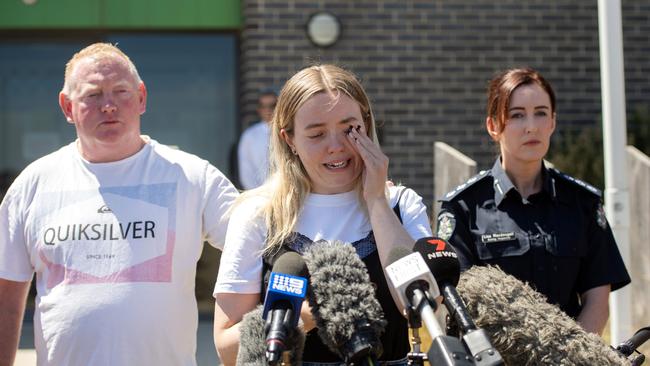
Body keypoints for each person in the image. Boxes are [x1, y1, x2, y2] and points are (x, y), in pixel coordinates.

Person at [0, 43, 238, 366]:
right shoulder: (33, 186)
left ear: (141, 98)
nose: (109, 105)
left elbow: (256, 245)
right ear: (67, 107)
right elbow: (6, 301)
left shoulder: (192, 177)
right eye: (93, 95)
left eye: (121, 92)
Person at [213, 64, 432, 365]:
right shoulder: (257, 214)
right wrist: (315, 312)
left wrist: (376, 201)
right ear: (289, 139)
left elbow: (422, 308)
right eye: (316, 134)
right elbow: (226, 347)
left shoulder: (402, 205)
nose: (336, 146)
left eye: (349, 129)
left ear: (366, 125)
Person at [436, 67, 631, 335]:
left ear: (552, 122)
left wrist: (572, 357)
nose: (532, 126)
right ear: (493, 126)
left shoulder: (582, 203)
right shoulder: (463, 207)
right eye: (517, 115)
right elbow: (459, 302)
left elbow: (597, 297)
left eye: (541, 113)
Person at [237, 89, 278, 189]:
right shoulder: (249, 136)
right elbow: (246, 171)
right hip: (258, 196)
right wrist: (258, 195)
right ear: (258, 109)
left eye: (272, 105)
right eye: (263, 106)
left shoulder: (290, 132)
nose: (268, 110)